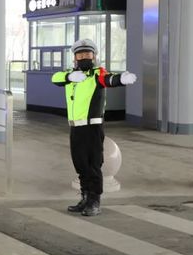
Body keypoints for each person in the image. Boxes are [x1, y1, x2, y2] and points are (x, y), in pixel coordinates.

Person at [51, 38, 137, 216]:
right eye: (80, 54)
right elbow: (55, 78)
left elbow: (109, 79)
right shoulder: (71, 75)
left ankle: (94, 201)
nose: (84, 57)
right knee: (80, 164)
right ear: (74, 58)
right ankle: (84, 198)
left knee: (93, 165)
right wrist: (69, 76)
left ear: (94, 56)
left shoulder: (97, 74)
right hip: (76, 128)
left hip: (92, 128)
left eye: (87, 54)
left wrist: (122, 78)